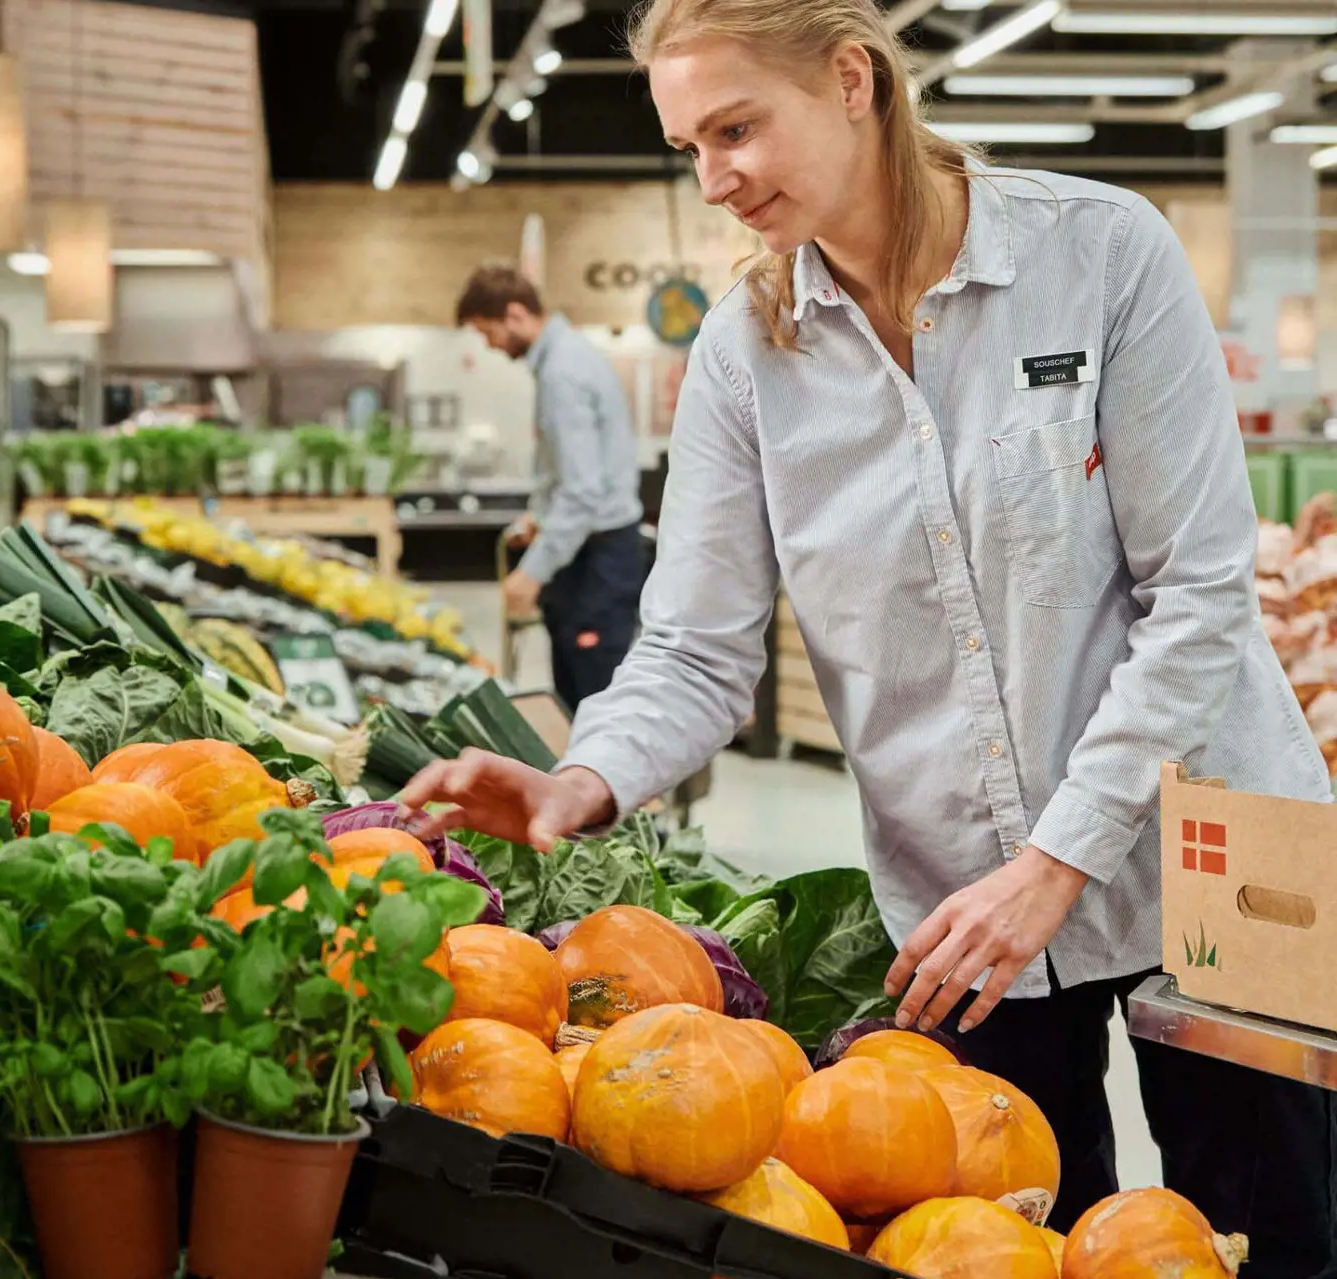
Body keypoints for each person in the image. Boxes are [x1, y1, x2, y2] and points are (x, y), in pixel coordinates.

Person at [404, 1, 1335, 1271]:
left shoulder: (1103, 253)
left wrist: (1055, 860)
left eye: (736, 129)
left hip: (1219, 846)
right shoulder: (745, 357)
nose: (714, 179)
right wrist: (584, 773)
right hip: (960, 896)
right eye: (689, 148)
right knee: (1002, 1243)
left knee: (1280, 1231)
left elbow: (1203, 600)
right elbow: (695, 647)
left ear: (853, 81)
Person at [456, 266, 646, 710]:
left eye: (489, 333)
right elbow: (567, 474)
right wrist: (538, 520)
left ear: (516, 314)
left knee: (594, 701)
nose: (490, 345)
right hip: (589, 552)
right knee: (573, 694)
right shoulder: (564, 359)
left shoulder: (563, 371)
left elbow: (583, 492)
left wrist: (533, 571)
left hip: (597, 562)